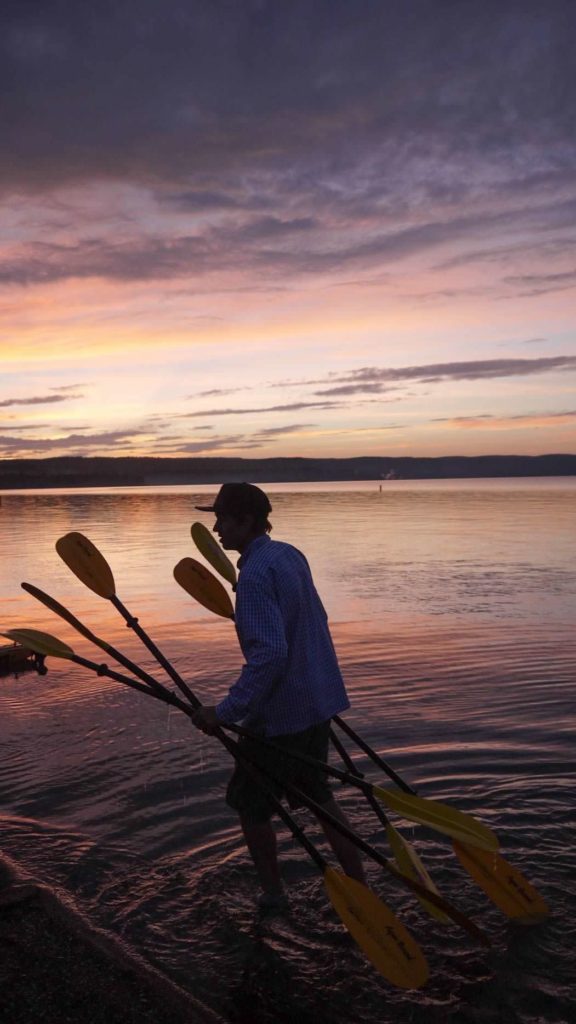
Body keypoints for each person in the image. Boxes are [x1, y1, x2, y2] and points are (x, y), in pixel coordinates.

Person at [191, 482, 365, 913]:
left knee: (251, 805)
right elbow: (315, 620)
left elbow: (270, 653)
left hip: (279, 718)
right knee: (319, 796)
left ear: (246, 521)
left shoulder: (252, 577)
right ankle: (360, 887)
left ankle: (273, 897)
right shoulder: (289, 554)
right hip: (317, 702)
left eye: (224, 519)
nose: (216, 528)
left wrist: (224, 712)